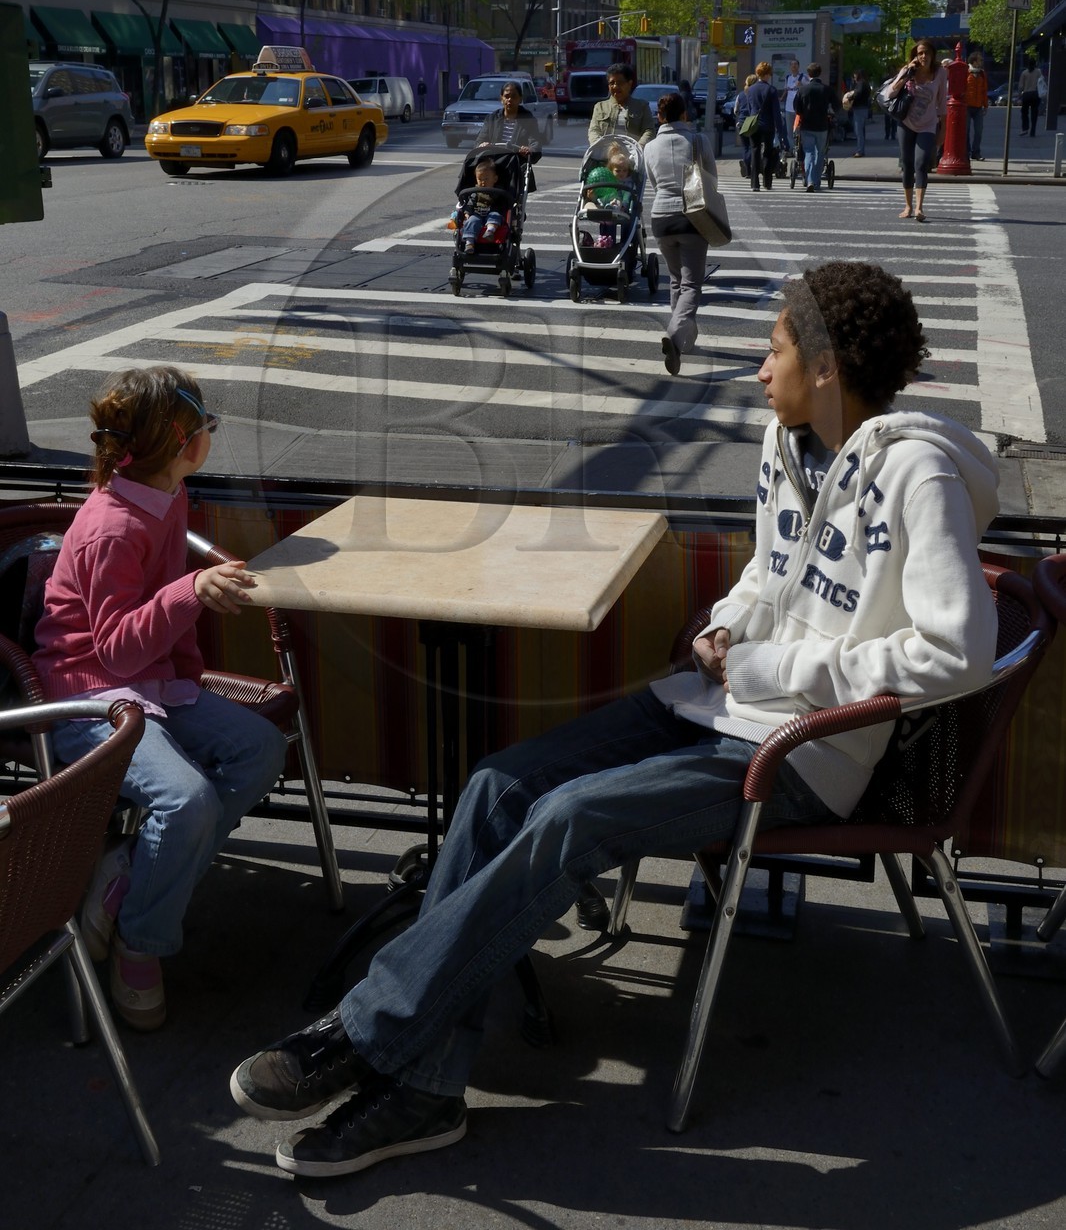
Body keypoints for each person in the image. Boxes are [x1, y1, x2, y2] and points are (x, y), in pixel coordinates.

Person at [230, 260, 999, 1182]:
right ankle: (426, 1088)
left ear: (828, 364)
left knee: (568, 819)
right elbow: (769, 575)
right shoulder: (784, 444)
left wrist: (775, 666)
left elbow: (959, 652)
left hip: (800, 752)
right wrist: (724, 627)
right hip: (715, 701)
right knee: (496, 785)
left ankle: (364, 1032)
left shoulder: (919, 473)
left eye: (774, 348)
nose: (759, 368)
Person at [34, 366, 287, 1032]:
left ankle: (125, 883)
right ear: (182, 439)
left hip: (152, 686)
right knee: (188, 800)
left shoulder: (166, 494)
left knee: (260, 748)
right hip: (90, 697)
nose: (210, 435)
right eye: (207, 425)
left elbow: (156, 620)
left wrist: (187, 668)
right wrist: (190, 593)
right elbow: (113, 650)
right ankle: (142, 942)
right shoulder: (114, 527)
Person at [643, 90, 714, 375]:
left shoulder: (649, 147)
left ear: (660, 117)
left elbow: (652, 181)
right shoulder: (698, 140)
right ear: (685, 114)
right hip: (691, 216)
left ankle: (686, 339)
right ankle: (674, 336)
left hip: (661, 218)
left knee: (675, 281)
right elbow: (711, 178)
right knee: (691, 284)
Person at [884, 38, 947, 222]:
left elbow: (942, 102)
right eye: (920, 53)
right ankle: (908, 206)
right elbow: (890, 94)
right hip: (906, 123)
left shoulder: (940, 73)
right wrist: (907, 73)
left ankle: (919, 207)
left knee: (921, 163)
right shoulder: (908, 70)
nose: (923, 56)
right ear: (915, 55)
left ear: (932, 55)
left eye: (926, 53)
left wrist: (942, 129)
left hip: (928, 125)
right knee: (907, 165)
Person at [447, 158, 511, 253]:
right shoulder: (475, 192)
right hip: (477, 214)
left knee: (495, 216)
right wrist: (467, 213)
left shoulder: (499, 192)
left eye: (486, 179)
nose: (483, 182)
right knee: (472, 221)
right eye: (480, 179)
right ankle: (469, 243)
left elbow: (503, 206)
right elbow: (470, 204)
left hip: (492, 213)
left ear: (495, 179)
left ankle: (490, 231)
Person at [793, 64, 840, 193]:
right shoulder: (827, 90)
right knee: (820, 153)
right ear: (819, 73)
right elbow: (837, 105)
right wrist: (830, 113)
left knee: (808, 152)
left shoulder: (803, 90)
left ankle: (810, 181)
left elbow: (796, 108)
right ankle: (817, 181)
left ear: (809, 74)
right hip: (822, 126)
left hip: (807, 125)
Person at [581, 140, 636, 249]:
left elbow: (628, 196)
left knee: (628, 221)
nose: (621, 173)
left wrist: (624, 204)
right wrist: (592, 197)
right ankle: (606, 242)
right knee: (606, 218)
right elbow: (602, 197)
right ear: (611, 171)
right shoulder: (606, 181)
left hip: (623, 209)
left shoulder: (628, 183)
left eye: (624, 171)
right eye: (618, 171)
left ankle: (625, 244)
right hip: (606, 208)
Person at [587, 62, 656, 145]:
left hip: (633, 155)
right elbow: (594, 131)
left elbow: (649, 131)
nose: (615, 86)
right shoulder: (600, 107)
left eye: (620, 82)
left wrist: (638, 148)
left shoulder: (642, 106)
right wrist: (604, 149)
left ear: (629, 84)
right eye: (612, 83)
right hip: (606, 155)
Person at [745, 60, 783, 192]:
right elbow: (776, 114)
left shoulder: (750, 90)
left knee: (755, 151)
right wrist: (781, 131)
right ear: (767, 74)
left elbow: (750, 109)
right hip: (768, 126)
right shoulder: (771, 90)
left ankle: (755, 183)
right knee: (768, 152)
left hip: (754, 124)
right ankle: (767, 182)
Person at [474, 80, 541, 155]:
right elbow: (479, 142)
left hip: (516, 161)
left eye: (514, 96)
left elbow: (536, 146)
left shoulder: (529, 120)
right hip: (493, 161)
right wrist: (482, 145)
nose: (509, 100)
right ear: (501, 99)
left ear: (520, 99)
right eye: (507, 96)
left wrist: (529, 151)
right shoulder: (492, 118)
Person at [732, 72, 759, 179]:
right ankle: (752, 168)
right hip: (752, 122)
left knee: (745, 147)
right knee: (753, 146)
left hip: (742, 123)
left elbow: (735, 110)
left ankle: (747, 169)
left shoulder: (741, 94)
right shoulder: (755, 94)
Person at [966, 51, 988, 160]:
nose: (982, 62)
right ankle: (967, 151)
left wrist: (985, 105)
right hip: (967, 106)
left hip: (978, 106)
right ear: (974, 61)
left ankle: (976, 152)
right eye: (980, 60)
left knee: (979, 131)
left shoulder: (982, 74)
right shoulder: (966, 72)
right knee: (966, 130)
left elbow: (984, 90)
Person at [846, 69, 872, 157]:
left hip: (859, 109)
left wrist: (850, 98)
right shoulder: (865, 83)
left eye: (855, 75)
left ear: (858, 75)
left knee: (858, 131)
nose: (854, 77)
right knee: (861, 131)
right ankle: (861, 149)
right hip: (863, 108)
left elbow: (858, 93)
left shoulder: (861, 84)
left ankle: (860, 151)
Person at [1019, 57, 1041, 138]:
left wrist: (1019, 96)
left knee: (1024, 112)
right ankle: (1033, 130)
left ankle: (1025, 128)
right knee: (1034, 113)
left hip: (1026, 94)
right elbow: (1041, 82)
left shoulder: (1024, 73)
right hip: (1035, 94)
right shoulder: (1038, 72)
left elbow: (1021, 86)